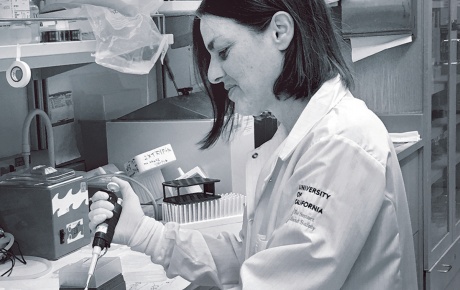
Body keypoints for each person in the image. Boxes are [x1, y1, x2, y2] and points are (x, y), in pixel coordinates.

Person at [88, 0, 418, 289]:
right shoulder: (289, 138)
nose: (214, 73)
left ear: (280, 31)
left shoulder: (343, 142)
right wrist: (143, 232)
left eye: (224, 51)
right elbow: (255, 255)